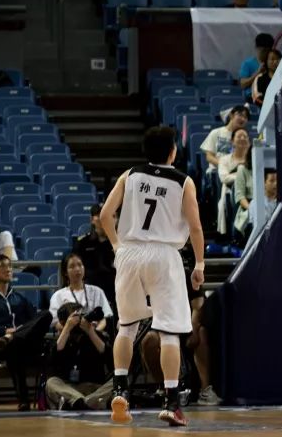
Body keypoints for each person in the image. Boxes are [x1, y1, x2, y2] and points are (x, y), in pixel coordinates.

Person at [100, 126, 205, 427]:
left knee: (127, 326)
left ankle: (120, 391)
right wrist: (199, 264)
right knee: (169, 331)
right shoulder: (183, 182)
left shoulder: (130, 175)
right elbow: (196, 228)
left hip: (130, 252)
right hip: (163, 255)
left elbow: (106, 214)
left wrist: (118, 246)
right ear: (172, 151)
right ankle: (171, 402)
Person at [0, 254, 52, 410]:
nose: (8, 269)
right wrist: (3, 330)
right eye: (2, 266)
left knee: (46, 314)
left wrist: (13, 334)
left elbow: (34, 322)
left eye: (9, 266)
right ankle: (24, 400)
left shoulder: (20, 298)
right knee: (14, 349)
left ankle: (11, 338)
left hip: (23, 343)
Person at [45, 301, 113, 410]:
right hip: (69, 388)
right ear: (63, 322)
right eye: (76, 317)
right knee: (51, 383)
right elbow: (52, 360)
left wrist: (91, 332)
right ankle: (81, 401)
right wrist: (67, 328)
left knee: (121, 380)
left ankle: (83, 402)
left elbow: (110, 359)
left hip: (94, 388)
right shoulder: (60, 340)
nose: (80, 320)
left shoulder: (95, 335)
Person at [48, 252, 114, 329]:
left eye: (80, 265)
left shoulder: (97, 291)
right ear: (65, 272)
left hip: (94, 336)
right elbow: (56, 323)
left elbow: (103, 320)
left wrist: (93, 333)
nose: (77, 269)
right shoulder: (58, 295)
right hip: (70, 337)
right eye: (72, 266)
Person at [73, 205, 116, 310]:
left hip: (114, 288)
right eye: (100, 215)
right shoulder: (82, 243)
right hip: (90, 289)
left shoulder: (118, 242)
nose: (105, 218)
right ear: (92, 219)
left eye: (110, 215)